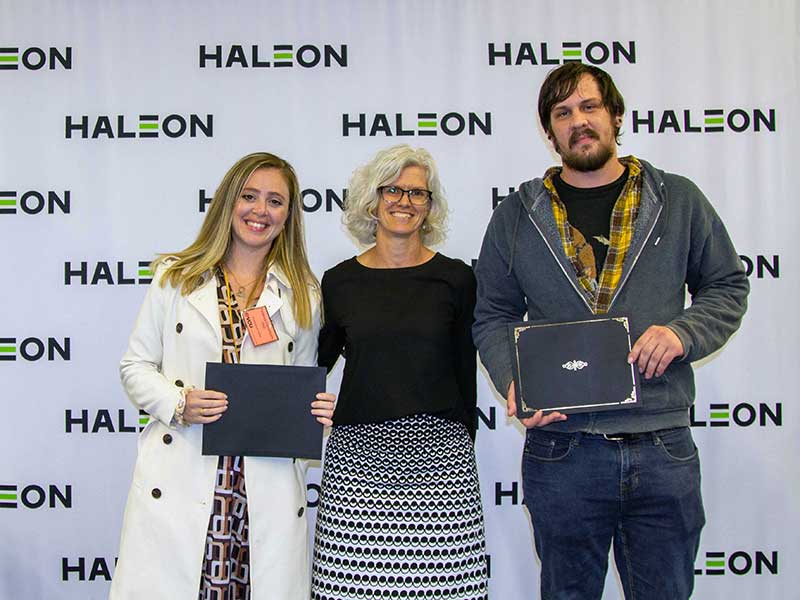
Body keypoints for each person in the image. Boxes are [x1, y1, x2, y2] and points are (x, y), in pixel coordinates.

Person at [473, 63, 749, 599]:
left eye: (589, 107)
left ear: (615, 116)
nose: (578, 121)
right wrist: (515, 381)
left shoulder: (679, 200)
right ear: (549, 133)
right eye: (563, 113)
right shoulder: (516, 214)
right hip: (564, 449)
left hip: (662, 445)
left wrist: (683, 333)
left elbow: (727, 287)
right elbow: (492, 315)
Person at [110, 152, 335, 600]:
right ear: (228, 203)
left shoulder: (303, 293)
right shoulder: (176, 277)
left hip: (262, 487)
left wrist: (316, 409)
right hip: (184, 473)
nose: (260, 211)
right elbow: (134, 366)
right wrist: (178, 402)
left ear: (289, 215)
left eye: (275, 201)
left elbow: (304, 378)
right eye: (249, 197)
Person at [311, 145, 488, 599]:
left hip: (442, 466)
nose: (404, 201)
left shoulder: (457, 279)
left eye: (417, 193)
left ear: (430, 206)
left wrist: (462, 442)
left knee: (449, 589)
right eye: (393, 190)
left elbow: (467, 370)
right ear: (372, 199)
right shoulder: (339, 281)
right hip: (356, 466)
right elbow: (312, 364)